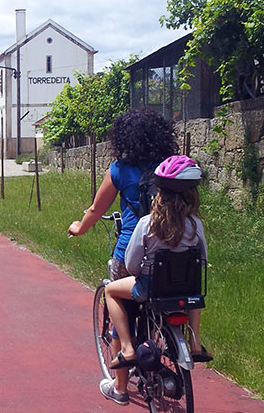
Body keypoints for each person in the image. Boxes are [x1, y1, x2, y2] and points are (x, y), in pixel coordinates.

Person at [67, 108, 177, 406]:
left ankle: (120, 387)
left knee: (120, 310)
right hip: (174, 250)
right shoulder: (170, 167)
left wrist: (79, 228)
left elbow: (95, 211)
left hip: (133, 252)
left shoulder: (119, 169)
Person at [98, 155, 213, 406]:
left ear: (158, 194)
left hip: (151, 288)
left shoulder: (147, 224)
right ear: (192, 196)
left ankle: (127, 347)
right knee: (193, 292)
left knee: (111, 291)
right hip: (184, 289)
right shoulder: (195, 224)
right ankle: (194, 343)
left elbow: (131, 264)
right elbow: (201, 257)